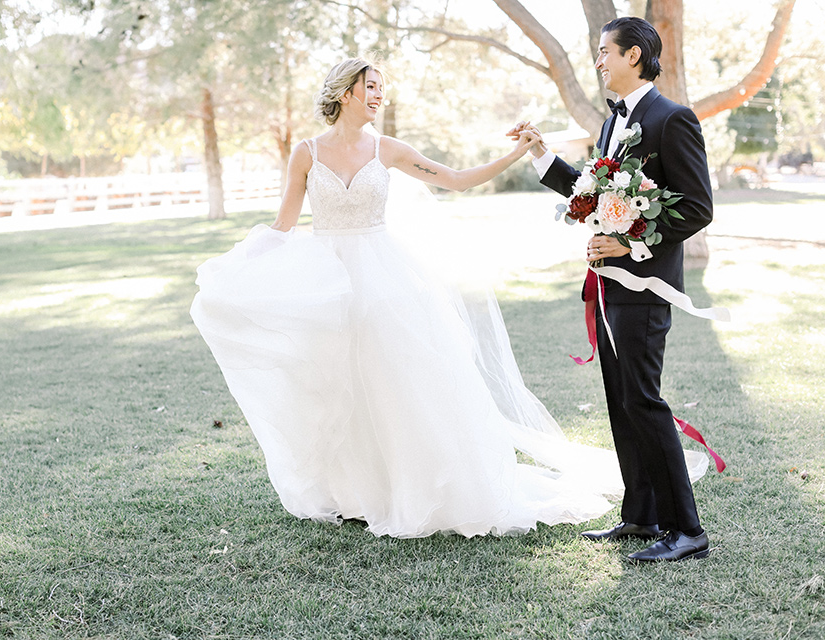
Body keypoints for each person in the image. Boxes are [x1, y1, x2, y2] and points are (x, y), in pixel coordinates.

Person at [190, 57, 705, 539]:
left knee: (393, 383)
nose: (378, 97)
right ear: (345, 92)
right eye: (371, 88)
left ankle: (409, 489)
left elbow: (456, 181)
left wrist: (519, 153)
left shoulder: (385, 149)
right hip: (329, 284)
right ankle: (355, 491)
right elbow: (284, 225)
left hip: (384, 280)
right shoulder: (305, 152)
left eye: (381, 90)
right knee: (340, 384)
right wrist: (241, 266)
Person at [516, 17, 715, 562]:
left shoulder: (672, 119)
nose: (598, 60)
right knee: (621, 399)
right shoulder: (613, 124)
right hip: (608, 288)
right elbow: (591, 195)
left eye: (605, 51)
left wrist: (629, 247)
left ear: (634, 55)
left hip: (645, 285)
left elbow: (697, 207)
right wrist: (541, 155)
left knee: (644, 400)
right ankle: (641, 515)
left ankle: (687, 530)